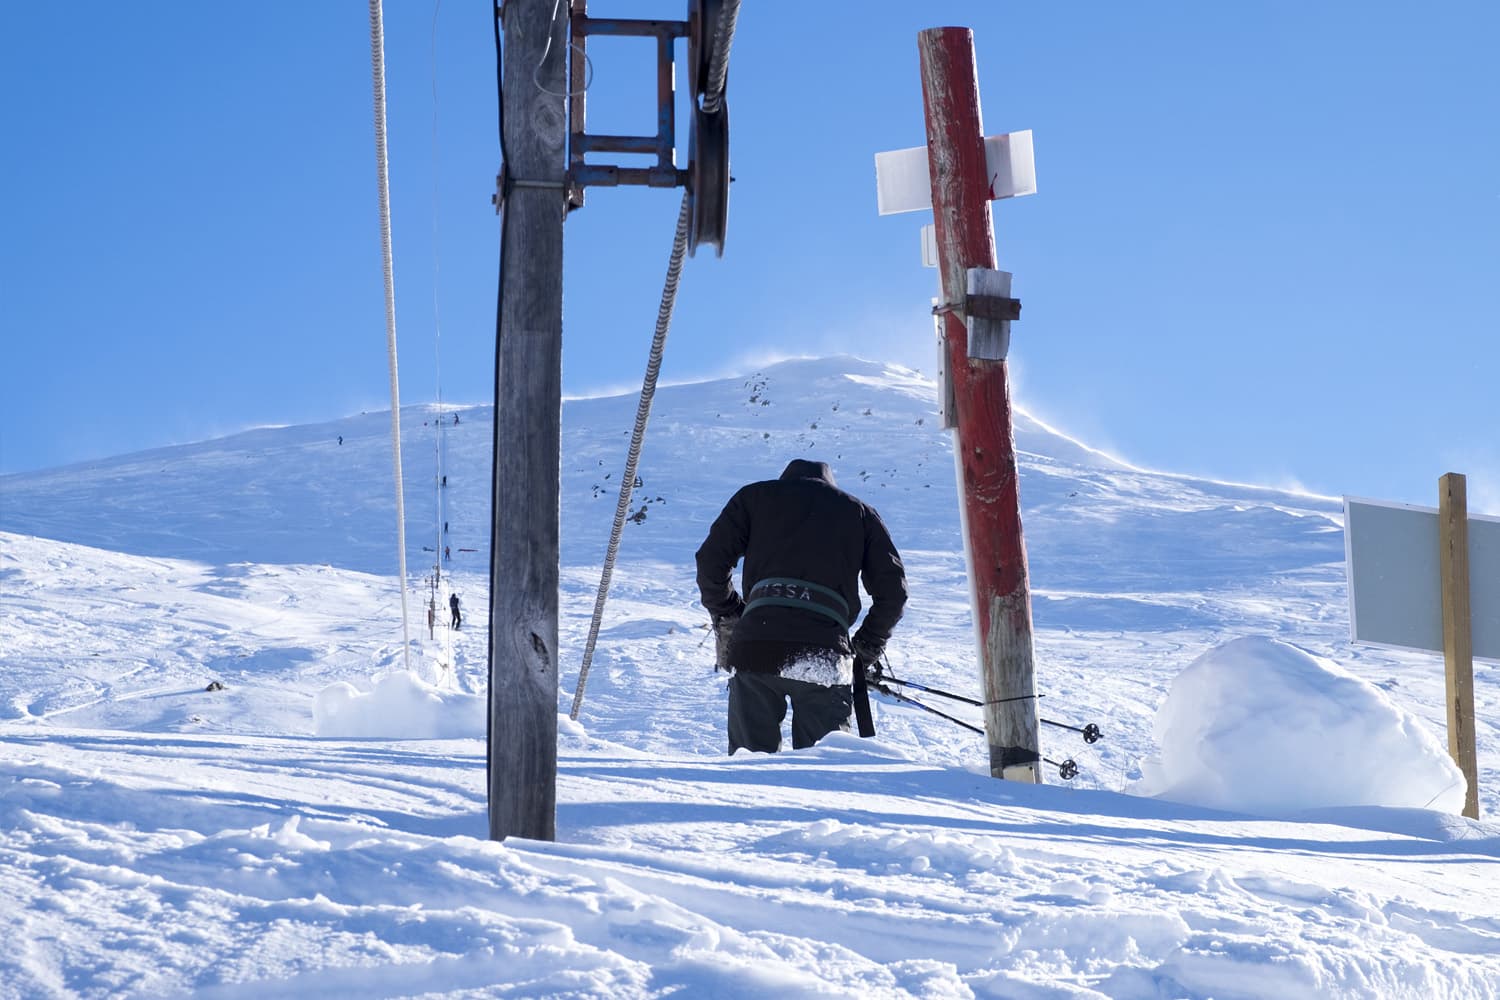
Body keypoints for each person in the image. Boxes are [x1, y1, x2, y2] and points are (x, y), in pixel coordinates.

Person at [696, 459, 906, 754]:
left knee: (748, 767)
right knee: (823, 771)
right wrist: (866, 647)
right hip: (825, 653)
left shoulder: (753, 498)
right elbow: (893, 593)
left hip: (756, 646)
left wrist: (731, 613)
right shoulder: (859, 513)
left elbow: (710, 563)